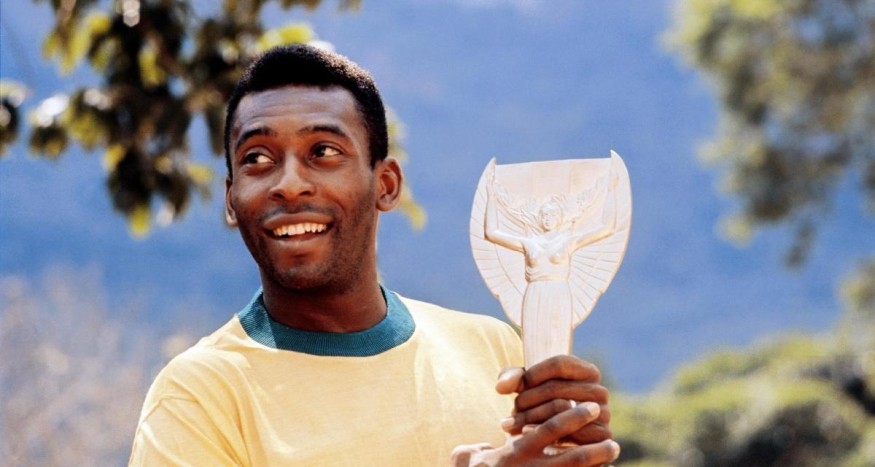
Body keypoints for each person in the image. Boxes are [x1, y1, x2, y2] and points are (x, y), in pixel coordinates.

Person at [129, 44, 620, 466]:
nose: (289, 184)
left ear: (386, 185)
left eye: (324, 151)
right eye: (257, 158)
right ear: (231, 199)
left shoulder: (493, 350)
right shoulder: (198, 396)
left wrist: (574, 446)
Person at [484, 160, 618, 367]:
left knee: (557, 342)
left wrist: (611, 191)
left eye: (552, 214)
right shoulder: (529, 243)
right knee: (534, 343)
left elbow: (606, 228)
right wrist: (491, 196)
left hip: (558, 293)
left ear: (559, 218)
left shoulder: (568, 242)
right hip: (535, 293)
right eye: (544, 214)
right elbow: (491, 233)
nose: (548, 218)